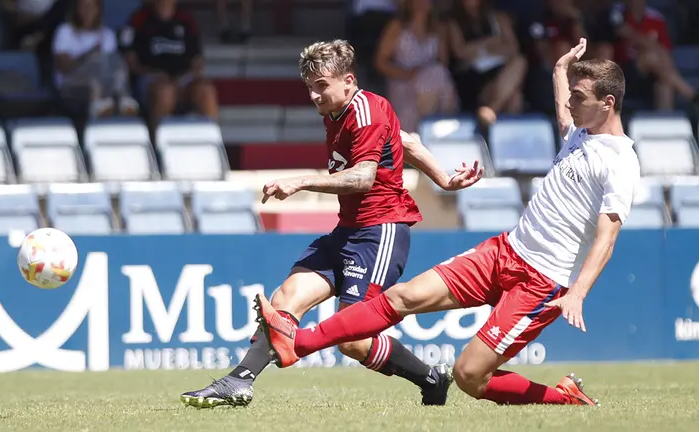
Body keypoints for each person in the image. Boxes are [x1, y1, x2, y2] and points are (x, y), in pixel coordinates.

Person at [256, 38, 641, 407]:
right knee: (400, 297)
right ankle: (299, 343)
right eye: (571, 95)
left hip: (542, 280)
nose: (570, 104)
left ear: (607, 103)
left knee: (469, 375)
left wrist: (578, 293)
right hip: (504, 251)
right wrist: (560, 69)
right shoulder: (578, 133)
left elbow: (606, 239)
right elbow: (561, 105)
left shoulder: (620, 162)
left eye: (579, 97)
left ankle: (565, 397)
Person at [180, 39, 483, 409]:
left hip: (381, 231)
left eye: (321, 85)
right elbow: (405, 141)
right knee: (285, 299)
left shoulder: (368, 110)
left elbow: (362, 179)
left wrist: (301, 181)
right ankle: (238, 381)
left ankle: (431, 379)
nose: (314, 95)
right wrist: (444, 179)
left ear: (348, 81)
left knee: (352, 339)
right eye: (309, 87)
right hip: (348, 230)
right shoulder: (338, 113)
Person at [374, 0, 458, 133]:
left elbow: (443, 62)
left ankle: (436, 128)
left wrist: (424, 74)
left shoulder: (438, 29)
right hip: (403, 83)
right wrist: (407, 74)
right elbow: (380, 62)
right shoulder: (397, 27)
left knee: (437, 73)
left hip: (433, 84)